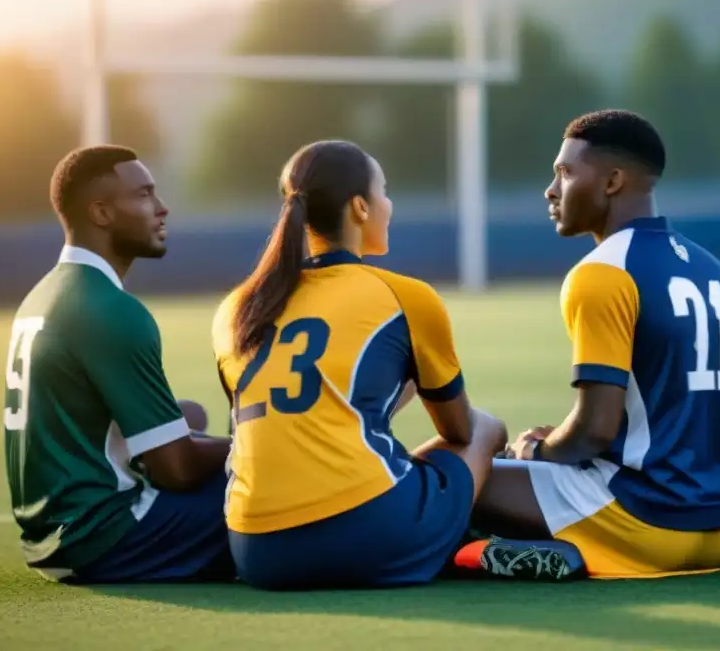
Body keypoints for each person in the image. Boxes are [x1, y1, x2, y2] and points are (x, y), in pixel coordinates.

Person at [459, 110, 720, 580]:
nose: (551, 190)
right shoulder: (716, 272)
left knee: (455, 474)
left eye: (565, 172)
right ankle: (545, 547)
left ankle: (520, 553)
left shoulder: (602, 273)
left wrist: (536, 452)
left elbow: (595, 430)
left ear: (612, 181)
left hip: (646, 524)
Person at [213, 139, 507, 591]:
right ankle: (470, 538)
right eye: (383, 191)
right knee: (487, 429)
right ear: (360, 208)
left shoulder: (235, 308)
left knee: (379, 452)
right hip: (366, 536)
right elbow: (460, 432)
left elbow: (284, 416)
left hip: (258, 553)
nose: (389, 204)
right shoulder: (405, 296)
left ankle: (440, 528)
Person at [4, 145, 234, 584]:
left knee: (190, 419)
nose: (162, 208)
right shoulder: (109, 309)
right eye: (145, 195)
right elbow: (177, 469)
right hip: (107, 536)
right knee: (283, 489)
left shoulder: (43, 296)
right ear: (102, 213)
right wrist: (261, 444)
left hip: (51, 536)